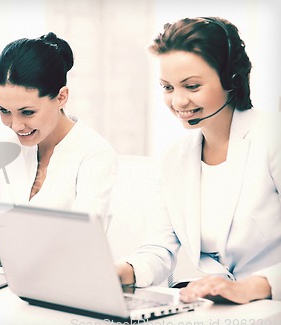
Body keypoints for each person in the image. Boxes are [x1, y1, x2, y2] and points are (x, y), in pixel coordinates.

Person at [116, 17, 281, 303]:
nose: (178, 102)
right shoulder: (174, 158)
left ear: (232, 79)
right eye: (168, 88)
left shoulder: (272, 137)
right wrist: (121, 271)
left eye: (191, 86)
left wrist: (255, 287)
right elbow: (159, 248)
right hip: (223, 310)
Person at [0, 32, 118, 265]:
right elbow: (7, 244)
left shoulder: (95, 155)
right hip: (15, 286)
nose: (15, 125)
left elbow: (82, 249)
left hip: (68, 288)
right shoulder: (7, 144)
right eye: (4, 111)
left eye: (27, 112)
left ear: (61, 97)